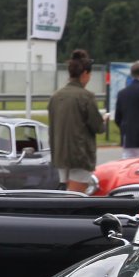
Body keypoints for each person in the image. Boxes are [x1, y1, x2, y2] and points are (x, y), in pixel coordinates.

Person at [48, 49, 103, 193]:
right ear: (85, 73)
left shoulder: (55, 97)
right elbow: (98, 126)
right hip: (80, 155)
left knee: (65, 194)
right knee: (76, 197)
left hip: (60, 154)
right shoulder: (86, 96)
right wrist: (103, 121)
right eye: (90, 74)